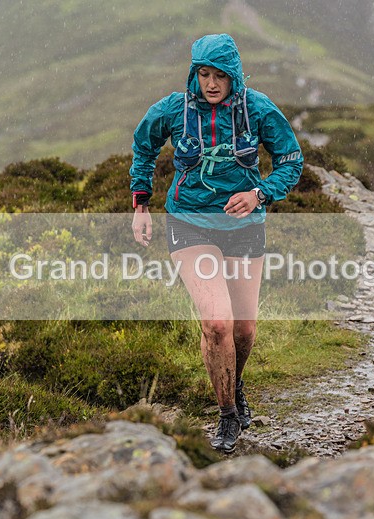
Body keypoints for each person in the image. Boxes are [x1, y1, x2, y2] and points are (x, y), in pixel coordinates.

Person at [129, 33, 303, 453]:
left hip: (244, 227)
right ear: (194, 74)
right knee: (217, 324)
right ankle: (227, 415)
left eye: (219, 75)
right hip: (190, 223)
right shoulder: (174, 109)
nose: (210, 83)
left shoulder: (256, 109)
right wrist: (140, 203)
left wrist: (259, 193)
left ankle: (234, 382)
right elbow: (143, 148)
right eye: (203, 74)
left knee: (243, 329)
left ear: (234, 76)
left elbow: (291, 160)